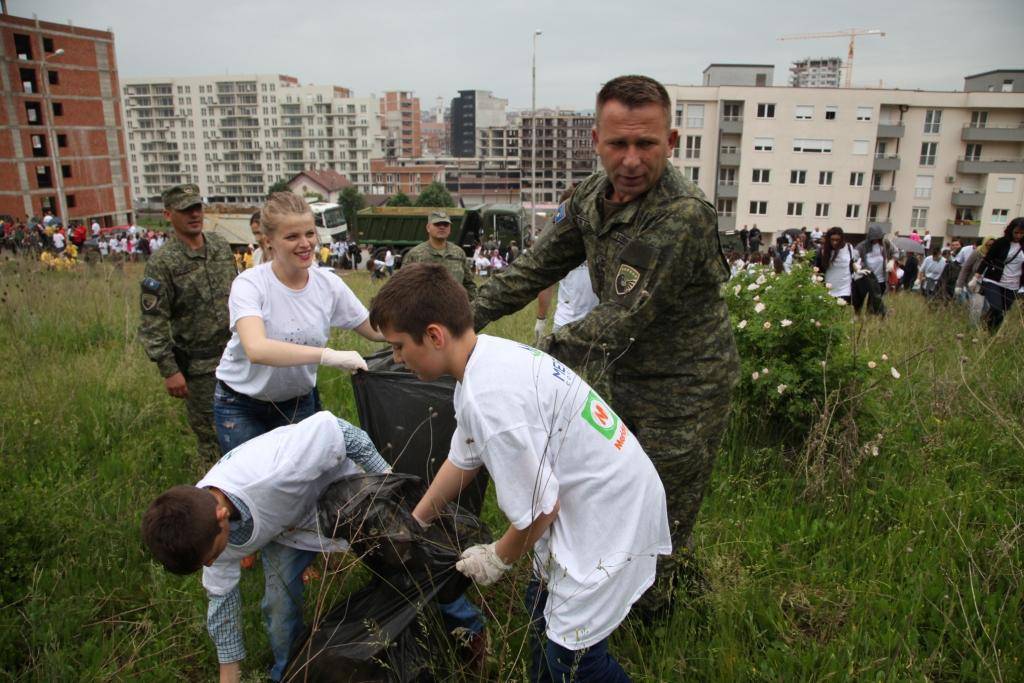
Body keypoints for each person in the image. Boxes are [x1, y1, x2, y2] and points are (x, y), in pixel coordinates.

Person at [469, 75, 739, 613]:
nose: (632, 160)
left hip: (686, 390)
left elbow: (619, 319)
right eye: (619, 144)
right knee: (611, 497)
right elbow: (532, 269)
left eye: (647, 144)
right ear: (596, 141)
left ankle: (650, 624)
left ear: (673, 141)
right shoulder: (592, 197)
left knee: (661, 514)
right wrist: (459, 321)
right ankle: (602, 602)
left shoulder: (682, 215)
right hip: (620, 380)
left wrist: (520, 365)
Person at [370, 263, 671, 682]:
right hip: (600, 496)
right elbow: (463, 458)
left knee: (573, 662)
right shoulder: (482, 360)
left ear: (434, 335)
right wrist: (415, 522)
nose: (397, 359)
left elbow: (539, 511)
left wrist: (497, 558)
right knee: (540, 610)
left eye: (400, 347)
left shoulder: (491, 400)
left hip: (609, 517)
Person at [140, 410, 391, 682]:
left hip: (342, 496)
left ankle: (440, 614)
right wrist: (228, 677)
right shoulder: (200, 527)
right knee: (279, 608)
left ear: (222, 517)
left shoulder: (278, 472)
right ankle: (290, 672)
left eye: (211, 556)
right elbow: (223, 605)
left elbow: (338, 430)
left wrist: (388, 486)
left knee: (398, 555)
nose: (212, 564)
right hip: (287, 527)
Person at [213, 192, 383, 456]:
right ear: (269, 242)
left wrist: (421, 331)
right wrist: (327, 356)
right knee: (255, 486)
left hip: (297, 404)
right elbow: (256, 349)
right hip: (241, 404)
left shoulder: (328, 285)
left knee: (301, 485)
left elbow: (374, 329)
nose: (305, 244)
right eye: (292, 237)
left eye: (310, 234)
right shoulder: (250, 284)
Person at [138, 184, 237, 462]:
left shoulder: (219, 246)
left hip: (238, 354)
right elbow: (153, 322)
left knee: (246, 427)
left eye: (197, 208)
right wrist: (169, 370)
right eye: (185, 210)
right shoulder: (163, 263)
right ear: (169, 215)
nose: (194, 215)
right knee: (213, 436)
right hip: (200, 367)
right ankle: (213, 500)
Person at [400, 210, 477, 299]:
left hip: (454, 308)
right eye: (437, 224)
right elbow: (403, 286)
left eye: (445, 224)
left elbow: (469, 284)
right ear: (428, 227)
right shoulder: (415, 254)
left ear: (450, 229)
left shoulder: (458, 253)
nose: (442, 227)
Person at [977, 217, 1024, 331]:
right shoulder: (1001, 242)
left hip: (1013, 285)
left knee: (1002, 312)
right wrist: (977, 275)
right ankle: (984, 328)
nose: (1018, 236)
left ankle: (990, 333)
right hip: (994, 280)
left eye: (1021, 233)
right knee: (996, 308)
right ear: (1011, 230)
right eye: (1016, 232)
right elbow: (987, 259)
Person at [814, 227, 859, 305]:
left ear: (841, 239)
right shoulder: (823, 251)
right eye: (832, 239)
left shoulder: (848, 248)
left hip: (845, 288)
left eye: (837, 240)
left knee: (841, 313)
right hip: (828, 288)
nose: (835, 242)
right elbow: (818, 269)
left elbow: (852, 263)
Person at [854, 224, 893, 314]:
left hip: (880, 279)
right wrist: (859, 266)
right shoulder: (862, 246)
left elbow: (895, 252)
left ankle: (871, 317)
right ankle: (857, 315)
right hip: (866, 278)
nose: (876, 239)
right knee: (859, 299)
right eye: (874, 237)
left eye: (878, 237)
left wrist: (892, 261)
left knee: (875, 301)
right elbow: (854, 258)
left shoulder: (884, 244)